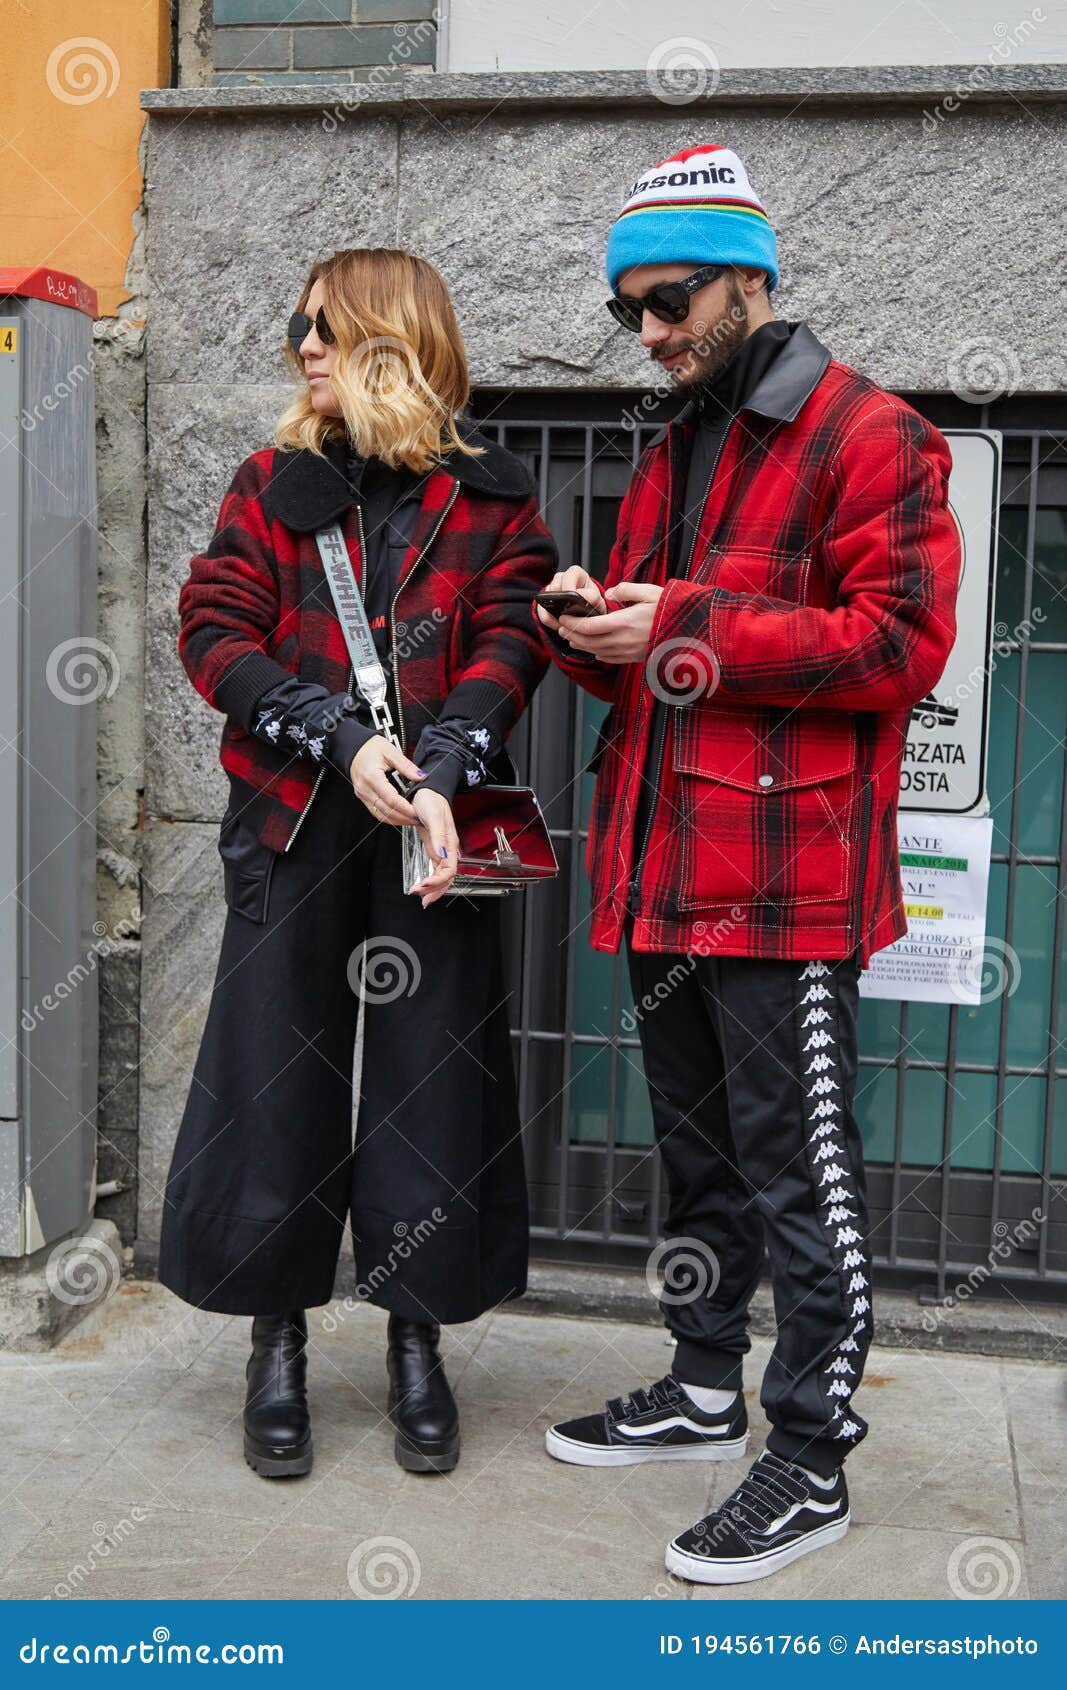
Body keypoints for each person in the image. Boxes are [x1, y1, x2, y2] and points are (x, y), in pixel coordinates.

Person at [535, 146, 961, 1583]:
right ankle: (702, 1383)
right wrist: (590, 629)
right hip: (664, 863)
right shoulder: (673, 442)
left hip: (785, 885)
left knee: (799, 1174)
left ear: (752, 280)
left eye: (668, 303)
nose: (647, 333)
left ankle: (805, 1458)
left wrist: (686, 617)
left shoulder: (872, 436)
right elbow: (666, 662)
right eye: (625, 313)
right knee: (699, 1158)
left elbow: (895, 650)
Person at [158, 248, 557, 1480]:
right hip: (293, 822)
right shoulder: (272, 484)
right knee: (272, 1082)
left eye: (325, 327)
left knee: (431, 1088)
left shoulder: (492, 499)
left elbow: (509, 643)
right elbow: (210, 630)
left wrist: (437, 766)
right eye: (299, 328)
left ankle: (416, 1340)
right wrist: (336, 739)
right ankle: (272, 1342)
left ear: (391, 338)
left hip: (426, 832)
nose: (303, 348)